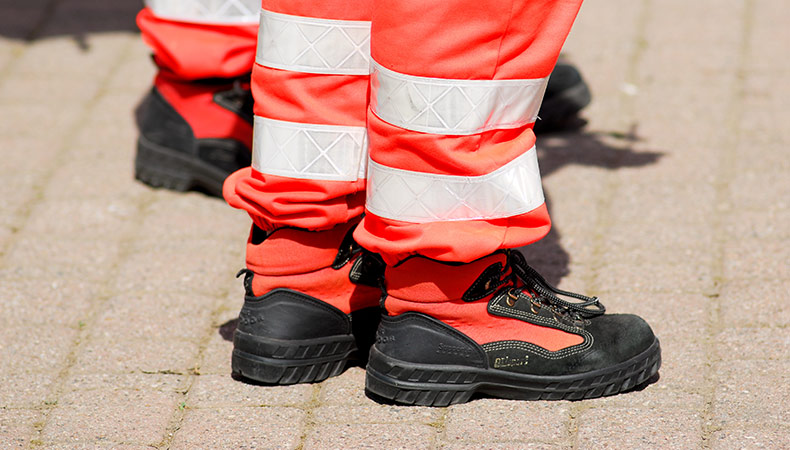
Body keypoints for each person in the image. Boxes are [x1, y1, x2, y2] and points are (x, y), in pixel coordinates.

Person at [136, 0, 660, 406]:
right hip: (451, 299)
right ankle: (451, 293)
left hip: (293, 265)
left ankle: (307, 265)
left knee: (323, 22)